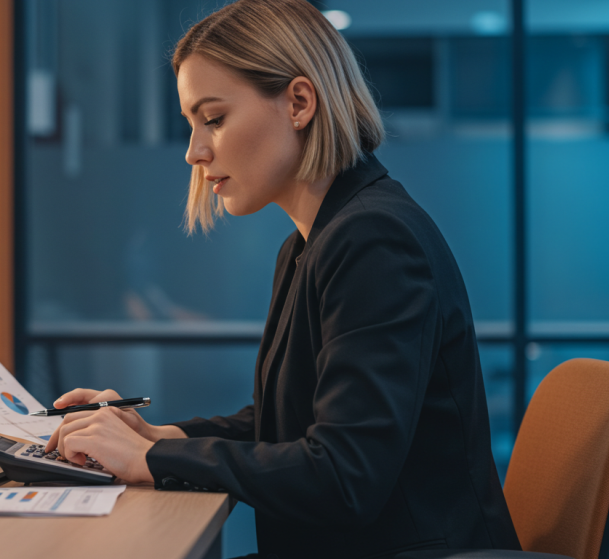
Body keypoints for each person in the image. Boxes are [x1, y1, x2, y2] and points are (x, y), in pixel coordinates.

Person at [43, 0, 521, 557]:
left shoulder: (372, 240)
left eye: (213, 119)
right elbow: (288, 425)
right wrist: (156, 437)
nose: (195, 152)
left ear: (298, 103)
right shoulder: (311, 243)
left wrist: (152, 459)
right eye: (191, 125)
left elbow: (344, 475)